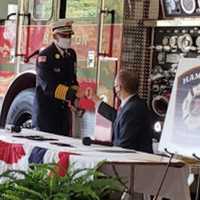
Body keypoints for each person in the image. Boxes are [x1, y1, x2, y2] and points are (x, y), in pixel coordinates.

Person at [32, 19, 83, 136]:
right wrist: (73, 94)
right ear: (55, 36)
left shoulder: (71, 54)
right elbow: (49, 87)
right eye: (64, 35)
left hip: (63, 114)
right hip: (47, 115)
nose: (68, 38)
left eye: (70, 35)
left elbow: (72, 79)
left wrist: (77, 93)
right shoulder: (45, 56)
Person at [91, 70, 153, 153]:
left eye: (115, 85)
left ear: (119, 87)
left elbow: (124, 144)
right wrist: (97, 101)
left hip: (134, 161)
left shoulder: (133, 109)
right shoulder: (132, 104)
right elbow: (118, 118)